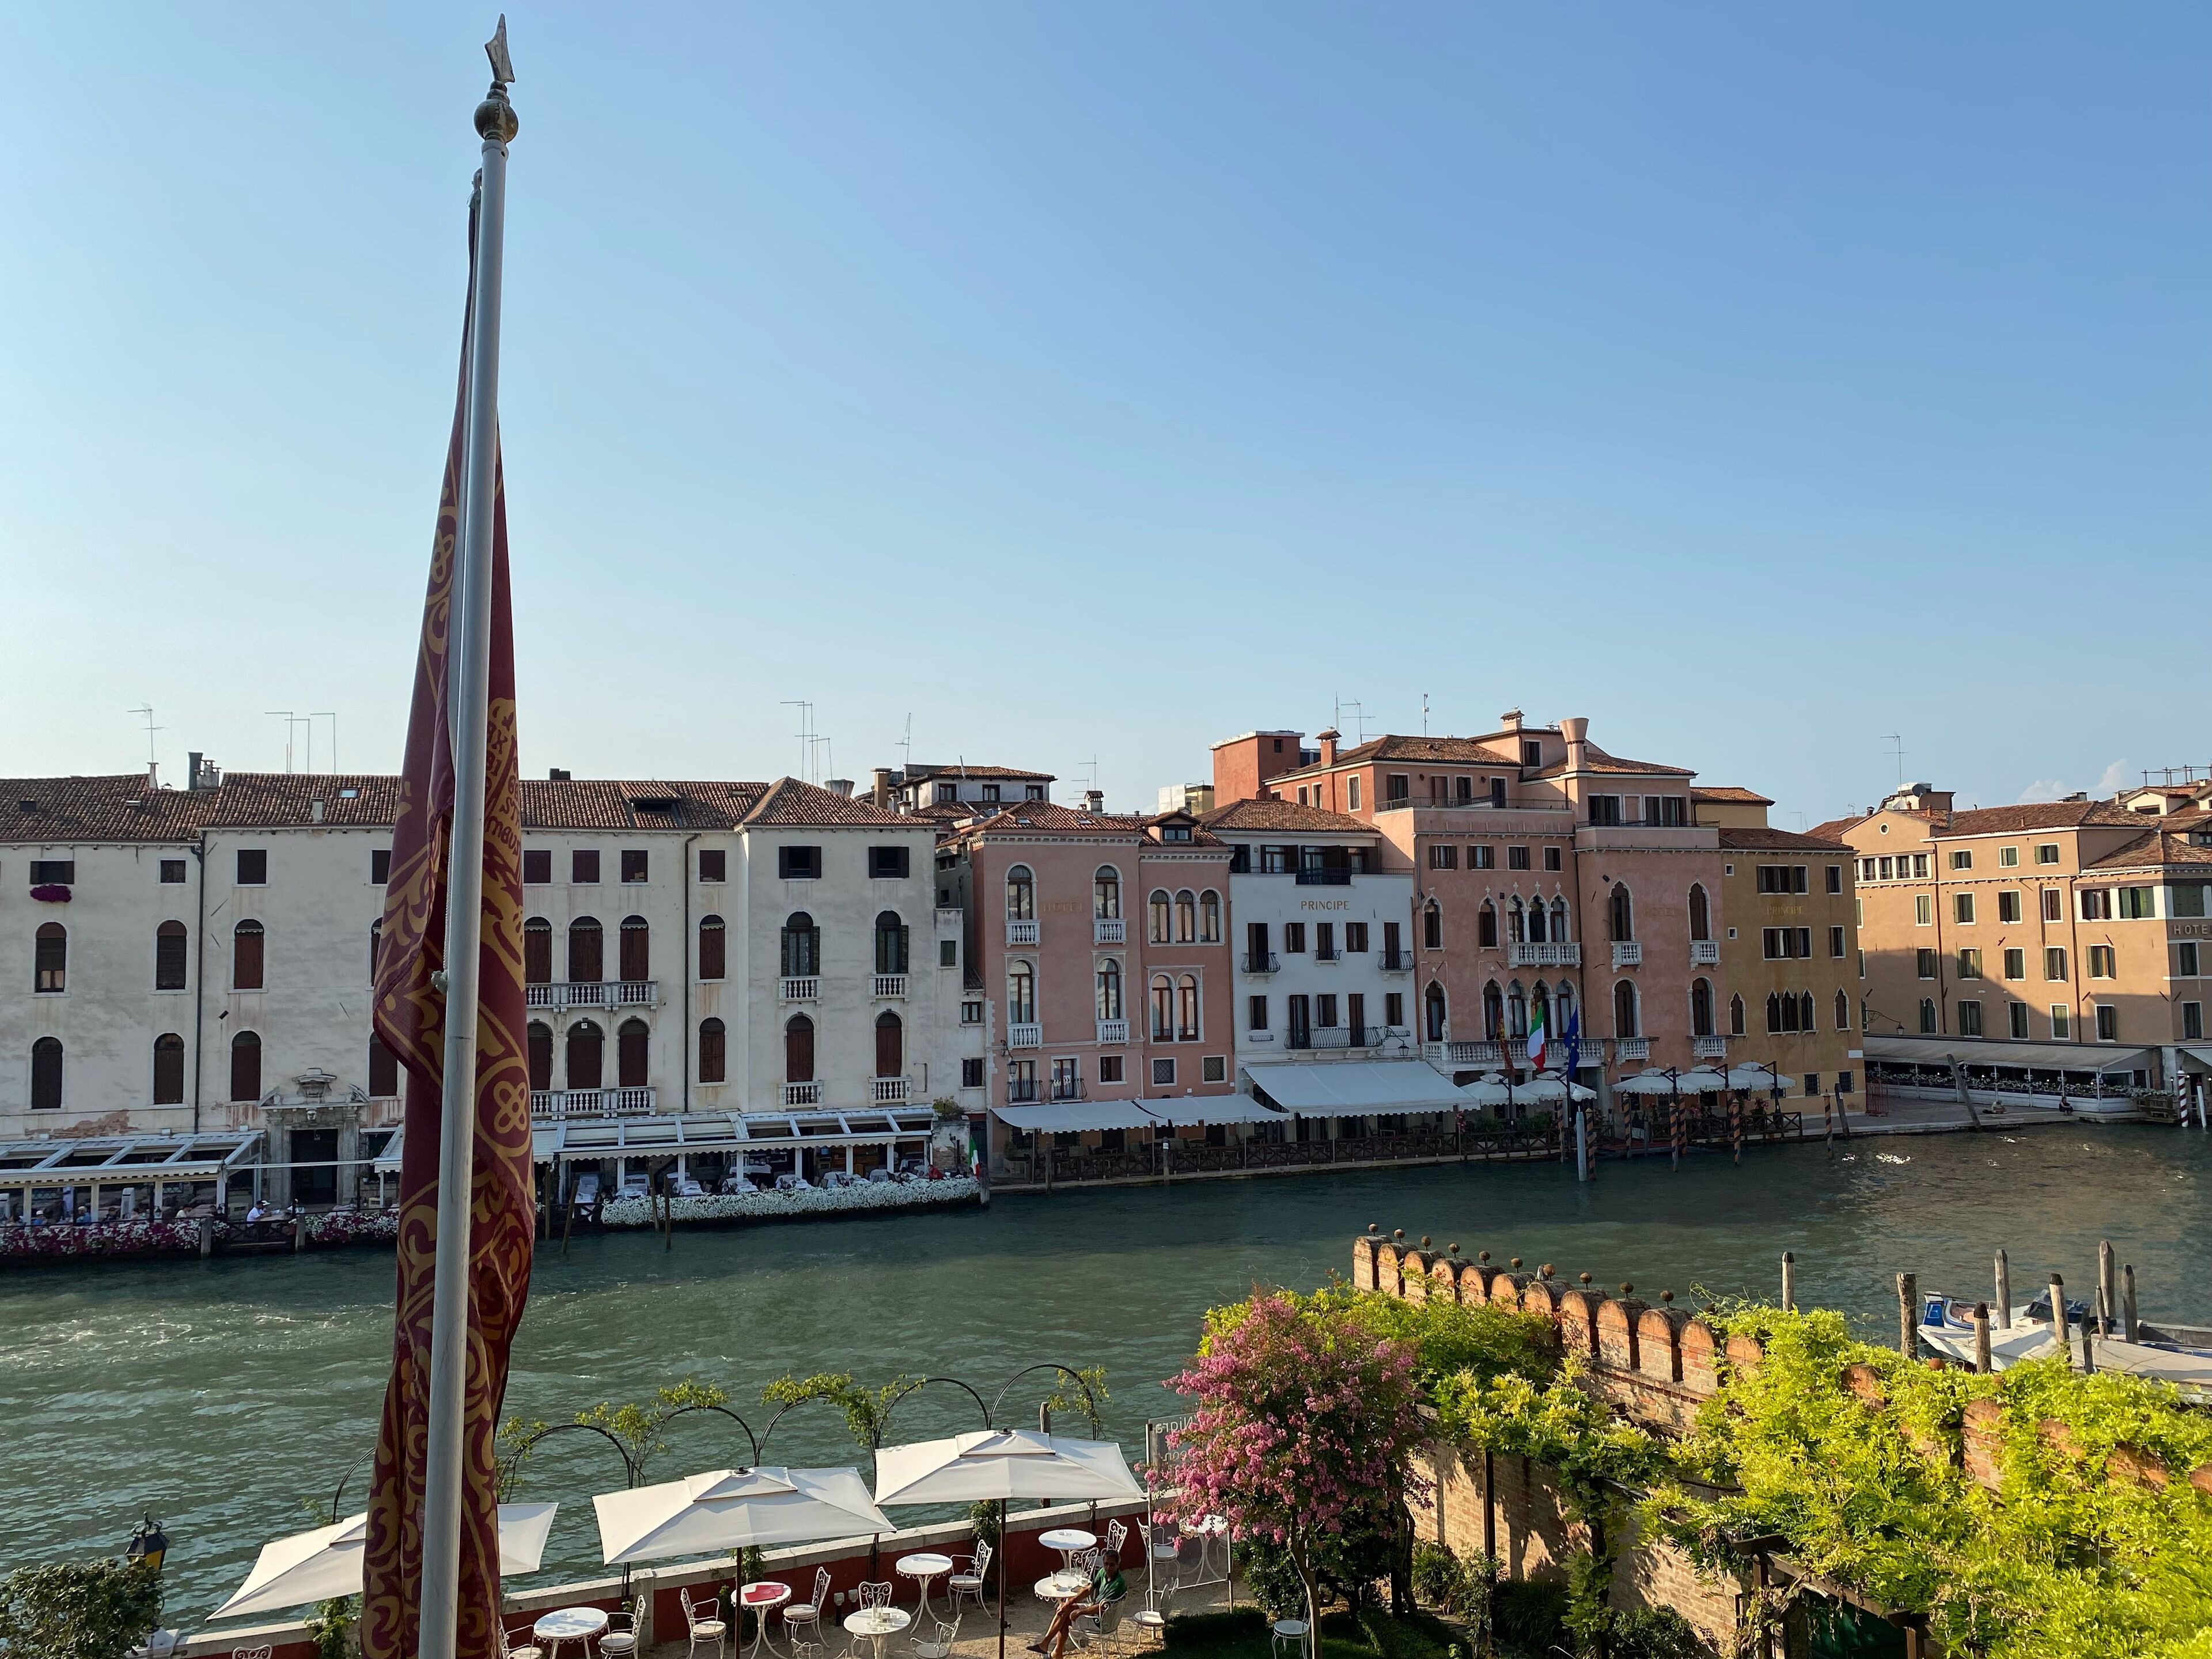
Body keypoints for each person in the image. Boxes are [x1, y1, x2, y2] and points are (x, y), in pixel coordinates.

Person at [1031, 1551, 1124, 1659]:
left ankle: (1053, 1650)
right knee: (1063, 1610)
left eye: (1112, 1565)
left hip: (1102, 1621)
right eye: (1106, 1564)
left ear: (1118, 1565)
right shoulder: (1103, 1572)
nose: (1108, 1567)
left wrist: (1080, 1612)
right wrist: (1068, 1603)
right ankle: (1048, 1646)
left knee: (1065, 1618)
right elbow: (1089, 1590)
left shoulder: (1118, 1584)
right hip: (1097, 1610)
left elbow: (1102, 1608)